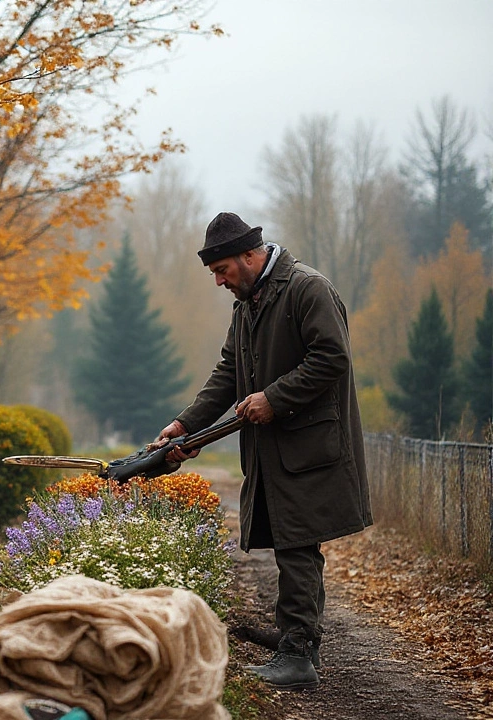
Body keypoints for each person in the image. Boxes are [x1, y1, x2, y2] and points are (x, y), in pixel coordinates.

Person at [154, 211, 372, 690]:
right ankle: (298, 639)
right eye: (214, 273)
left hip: (310, 446)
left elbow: (332, 358)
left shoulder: (307, 289)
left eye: (222, 271)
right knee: (292, 543)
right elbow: (228, 373)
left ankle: (297, 657)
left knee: (297, 543)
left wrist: (274, 398)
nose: (218, 282)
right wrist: (184, 425)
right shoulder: (248, 303)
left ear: (250, 256)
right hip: (277, 450)